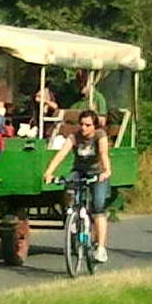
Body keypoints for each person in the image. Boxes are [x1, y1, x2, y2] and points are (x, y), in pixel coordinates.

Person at [42, 110, 112, 262]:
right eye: (82, 124)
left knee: (98, 207)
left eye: (88, 125)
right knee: (67, 184)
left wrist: (106, 171)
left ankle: (100, 248)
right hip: (79, 171)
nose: (84, 128)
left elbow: (103, 153)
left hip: (97, 172)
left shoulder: (100, 135)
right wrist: (48, 173)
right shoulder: (74, 136)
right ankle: (71, 215)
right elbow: (61, 154)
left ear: (94, 126)